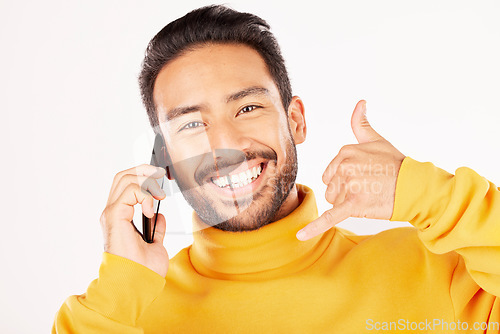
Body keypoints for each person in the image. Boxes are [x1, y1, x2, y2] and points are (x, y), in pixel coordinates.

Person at [52, 5, 500, 333]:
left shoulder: (436, 272)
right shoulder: (125, 316)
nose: (224, 145)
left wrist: (433, 197)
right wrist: (120, 286)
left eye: (247, 107)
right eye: (191, 124)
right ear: (163, 157)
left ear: (296, 120)